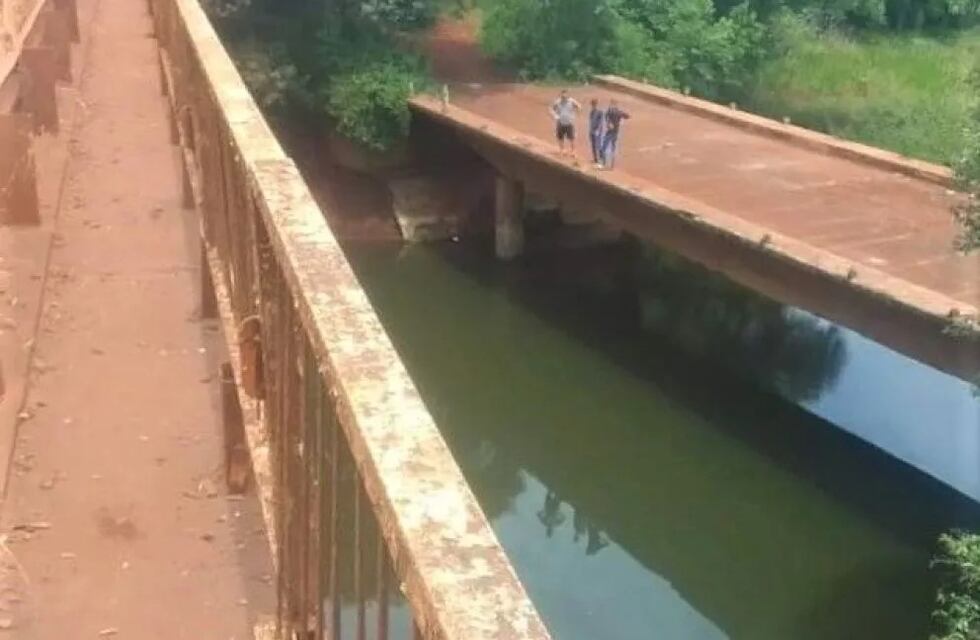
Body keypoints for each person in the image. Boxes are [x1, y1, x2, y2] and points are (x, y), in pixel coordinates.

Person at [550, 89, 581, 158]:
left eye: (565, 96)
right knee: (560, 137)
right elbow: (552, 109)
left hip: (569, 122)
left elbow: (579, 106)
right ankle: (562, 150)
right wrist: (555, 116)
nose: (563, 97)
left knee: (572, 138)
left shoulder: (572, 101)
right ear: (560, 95)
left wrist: (576, 113)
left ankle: (573, 152)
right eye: (562, 96)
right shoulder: (557, 102)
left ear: (567, 96)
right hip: (560, 122)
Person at [601, 98, 630, 169]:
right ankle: (611, 166)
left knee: (604, 147)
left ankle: (604, 164)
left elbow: (606, 116)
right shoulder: (618, 111)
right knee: (612, 148)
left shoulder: (610, 111)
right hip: (615, 132)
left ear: (612, 104)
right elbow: (627, 116)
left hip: (610, 133)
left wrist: (609, 123)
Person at [587, 98, 605, 167]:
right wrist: (590, 131)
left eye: (594, 104)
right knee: (593, 146)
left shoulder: (600, 112)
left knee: (598, 146)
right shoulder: (591, 112)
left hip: (597, 132)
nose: (593, 106)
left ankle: (602, 160)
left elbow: (601, 122)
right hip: (592, 131)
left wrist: (598, 130)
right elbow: (591, 122)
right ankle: (595, 159)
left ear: (596, 104)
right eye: (592, 105)